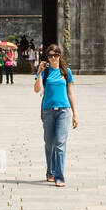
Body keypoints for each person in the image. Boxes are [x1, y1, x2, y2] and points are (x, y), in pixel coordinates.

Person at [33, 44, 77, 187]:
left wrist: (75, 113)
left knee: (60, 144)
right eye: (50, 55)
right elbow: (36, 90)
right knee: (49, 143)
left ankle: (59, 175)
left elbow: (70, 93)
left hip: (64, 111)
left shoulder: (66, 71)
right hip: (48, 110)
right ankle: (50, 171)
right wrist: (39, 72)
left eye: (55, 55)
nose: (53, 58)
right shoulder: (45, 72)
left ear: (59, 55)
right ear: (47, 57)